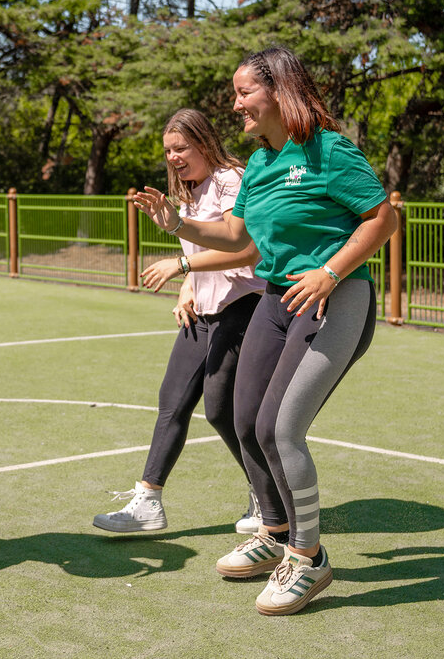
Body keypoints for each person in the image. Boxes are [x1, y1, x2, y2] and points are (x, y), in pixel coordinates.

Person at [141, 47, 398, 616]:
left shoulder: (330, 150)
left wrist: (331, 271)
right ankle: (276, 529)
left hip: (335, 298)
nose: (235, 105)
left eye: (243, 93)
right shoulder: (259, 164)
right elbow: (239, 240)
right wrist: (177, 224)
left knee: (283, 429)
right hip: (277, 298)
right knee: (244, 418)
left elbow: (382, 219)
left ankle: (308, 559)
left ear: (279, 90)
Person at [95, 108, 264, 536]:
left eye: (181, 147)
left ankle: (266, 494)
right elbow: (201, 250)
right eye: (168, 150)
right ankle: (148, 501)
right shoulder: (189, 188)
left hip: (243, 304)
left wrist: (181, 264)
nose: (173, 157)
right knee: (171, 400)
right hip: (204, 309)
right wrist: (188, 289)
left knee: (221, 407)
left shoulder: (232, 180)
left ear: (204, 143)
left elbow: (244, 249)